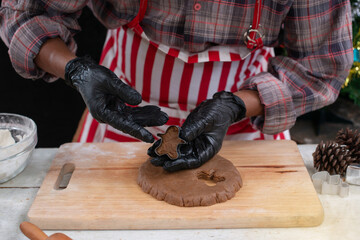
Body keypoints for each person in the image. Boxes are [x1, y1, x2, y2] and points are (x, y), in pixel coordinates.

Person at [0, 0, 353, 171]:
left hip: (247, 120)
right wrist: (77, 70)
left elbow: (321, 67)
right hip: (121, 110)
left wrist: (236, 104)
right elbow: (27, 12)